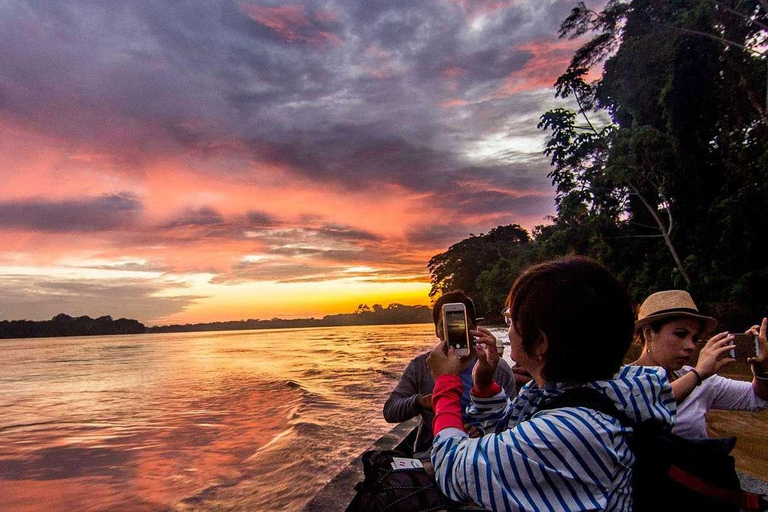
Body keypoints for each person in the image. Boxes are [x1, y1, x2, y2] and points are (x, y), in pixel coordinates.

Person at [427, 257, 675, 511]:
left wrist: (446, 383)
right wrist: (484, 385)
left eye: (511, 320)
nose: (508, 331)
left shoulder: (570, 430)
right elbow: (508, 434)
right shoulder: (592, 390)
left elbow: (452, 467)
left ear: (540, 343)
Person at [382, 290, 516, 455]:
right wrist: (420, 402)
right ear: (437, 331)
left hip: (483, 453)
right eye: (444, 325)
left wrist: (482, 431)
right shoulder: (422, 366)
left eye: (460, 324)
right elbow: (390, 411)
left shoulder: (496, 368)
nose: (452, 331)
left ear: (474, 327)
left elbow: (512, 424)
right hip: (431, 454)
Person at [633, 290, 768, 440]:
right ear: (649, 334)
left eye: (695, 338)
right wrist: (697, 374)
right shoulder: (620, 381)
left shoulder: (700, 379)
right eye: (681, 334)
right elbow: (644, 404)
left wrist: (761, 370)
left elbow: (757, 399)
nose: (690, 346)